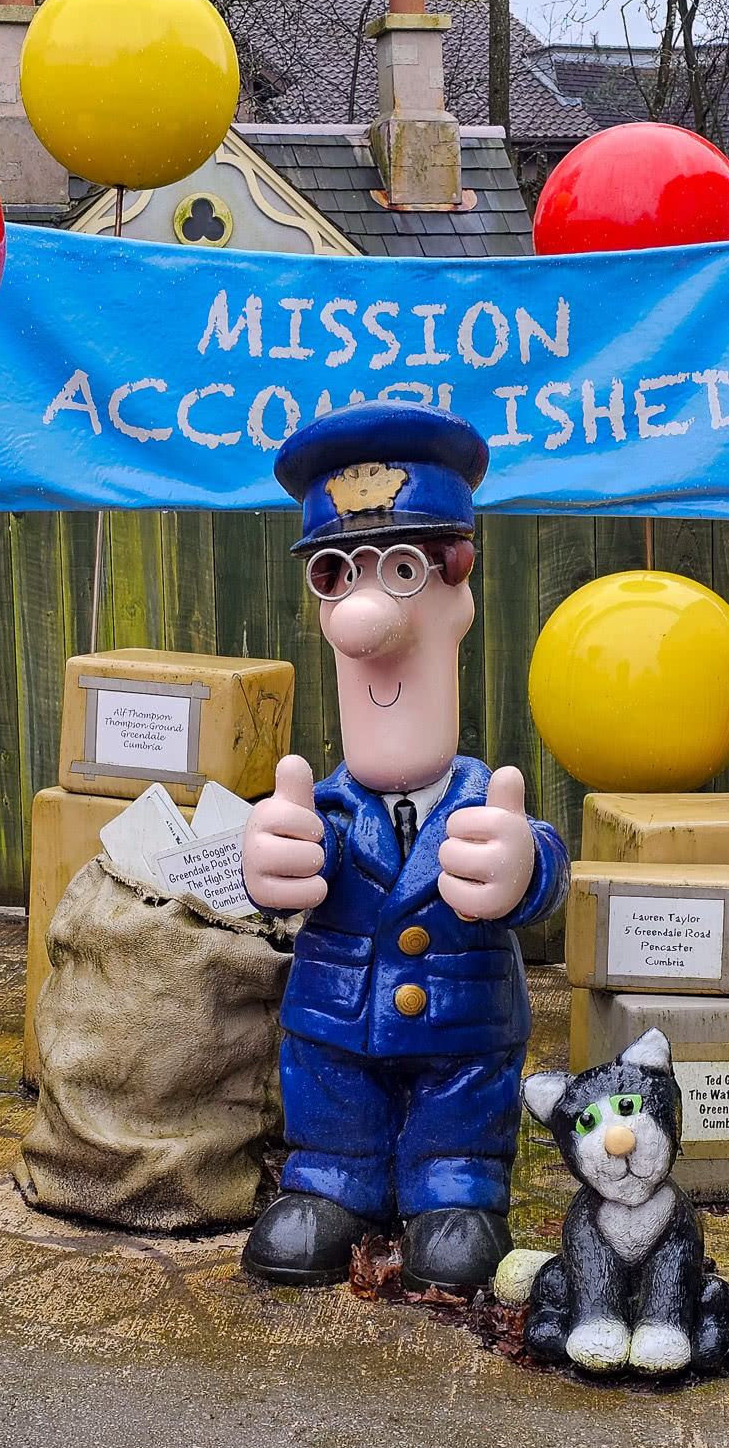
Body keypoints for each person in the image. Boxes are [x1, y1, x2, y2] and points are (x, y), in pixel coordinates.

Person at [240, 399, 570, 1293]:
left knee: (458, 1148)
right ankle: (335, 1177)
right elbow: (296, 869)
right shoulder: (325, 807)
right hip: (337, 1033)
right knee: (331, 1110)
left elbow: (544, 864)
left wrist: (526, 867)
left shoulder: (480, 801)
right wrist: (266, 864)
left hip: (463, 1045)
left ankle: (453, 1185)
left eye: (399, 567)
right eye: (339, 573)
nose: (364, 611)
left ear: (458, 590)